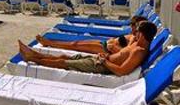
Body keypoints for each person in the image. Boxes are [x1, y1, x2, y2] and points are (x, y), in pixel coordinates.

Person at [19, 21, 157, 76]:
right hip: (101, 60)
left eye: (137, 31)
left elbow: (121, 71)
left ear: (143, 35)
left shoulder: (139, 51)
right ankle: (34, 53)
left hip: (102, 66)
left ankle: (31, 58)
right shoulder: (136, 44)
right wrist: (104, 57)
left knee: (63, 63)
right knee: (65, 57)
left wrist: (104, 61)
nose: (135, 32)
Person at [36, 16, 148, 54]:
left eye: (133, 25)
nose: (131, 26)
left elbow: (126, 53)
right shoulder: (133, 35)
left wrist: (114, 47)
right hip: (104, 44)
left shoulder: (136, 40)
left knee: (74, 45)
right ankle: (49, 43)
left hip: (105, 49)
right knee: (76, 43)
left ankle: (49, 43)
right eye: (132, 24)